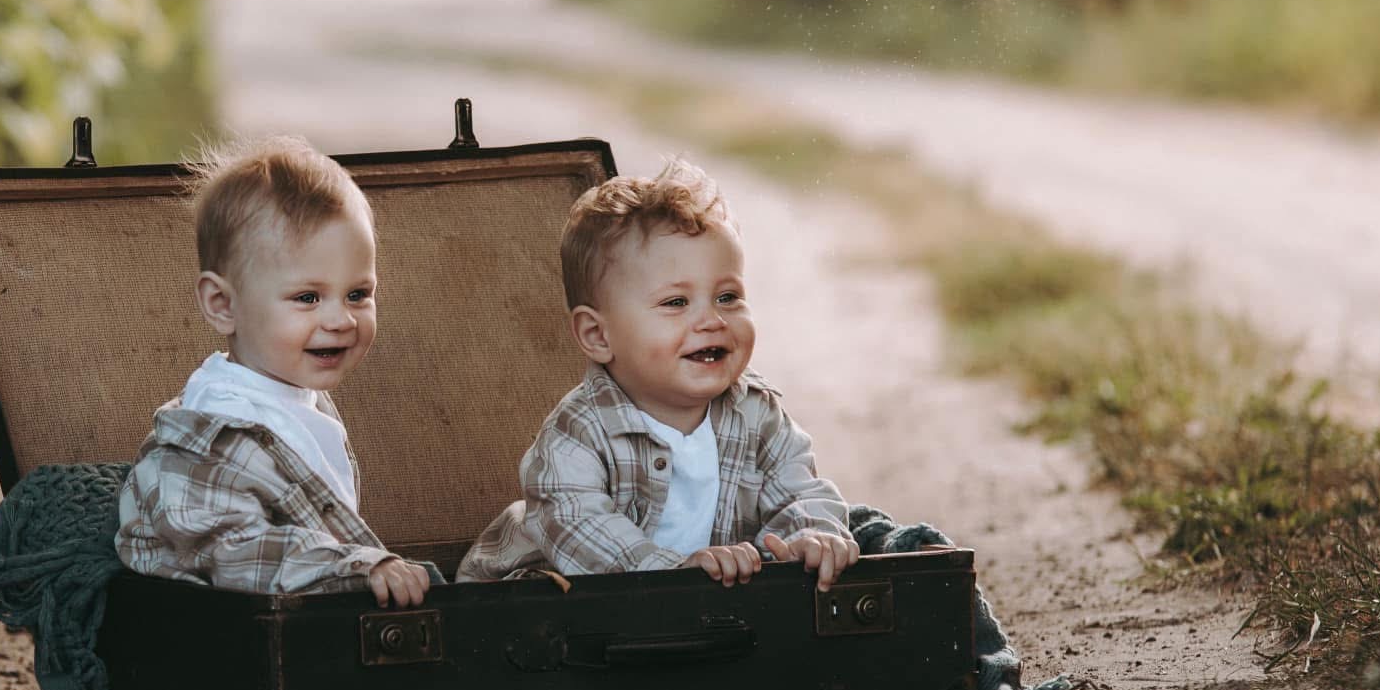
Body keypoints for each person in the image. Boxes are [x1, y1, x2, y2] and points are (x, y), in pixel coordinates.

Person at [458, 158, 858, 590]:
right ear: (597, 335)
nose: (711, 321)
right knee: (534, 600)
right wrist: (673, 574)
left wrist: (811, 535)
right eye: (675, 303)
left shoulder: (756, 412)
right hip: (557, 595)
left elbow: (799, 489)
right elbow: (579, 528)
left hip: (703, 604)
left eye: (727, 296)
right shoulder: (581, 430)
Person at [114, 136, 433, 608]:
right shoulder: (208, 438)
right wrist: (357, 565)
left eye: (358, 294)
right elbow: (238, 556)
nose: (341, 320)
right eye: (307, 298)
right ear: (223, 305)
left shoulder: (293, 396)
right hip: (219, 644)